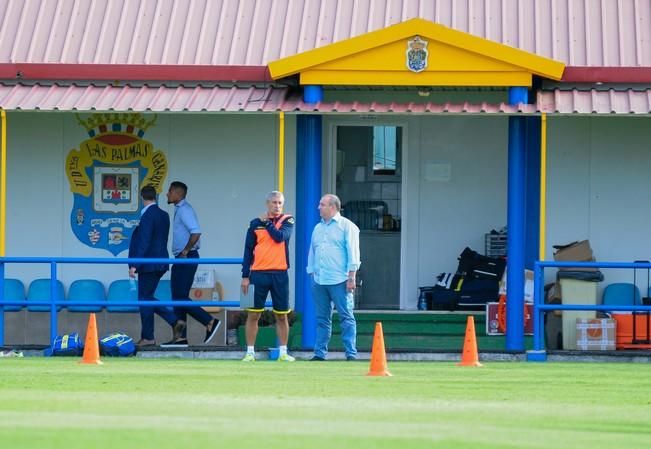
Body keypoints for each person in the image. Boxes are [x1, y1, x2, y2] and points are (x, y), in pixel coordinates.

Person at [163, 181, 220, 347]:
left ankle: (209, 321)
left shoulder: (185, 210)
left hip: (186, 257)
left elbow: (196, 232)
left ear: (177, 193)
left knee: (179, 296)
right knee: (177, 297)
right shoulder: (180, 209)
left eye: (169, 191)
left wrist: (185, 252)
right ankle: (180, 338)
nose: (167, 194)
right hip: (183, 257)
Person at [240, 191, 295, 362]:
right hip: (258, 274)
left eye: (280, 203)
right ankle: (250, 352)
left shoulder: (288, 220)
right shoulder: (255, 224)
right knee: (253, 314)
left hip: (280, 274)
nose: (277, 206)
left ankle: (283, 352)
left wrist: (267, 223)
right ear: (267, 204)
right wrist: (245, 276)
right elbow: (248, 251)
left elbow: (280, 237)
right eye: (274, 203)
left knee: (281, 314)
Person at [128, 185, 185, 347]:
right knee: (147, 298)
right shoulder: (164, 215)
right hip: (160, 261)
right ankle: (170, 324)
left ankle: (151, 336)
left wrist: (135, 264)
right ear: (155, 196)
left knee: (144, 299)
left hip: (148, 264)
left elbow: (144, 241)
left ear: (142, 198)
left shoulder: (147, 216)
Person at [306, 194, 360, 361]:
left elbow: (353, 253)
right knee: (322, 318)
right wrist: (312, 273)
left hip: (340, 279)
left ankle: (351, 353)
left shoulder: (347, 226)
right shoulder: (318, 228)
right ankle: (319, 353)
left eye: (322, 204)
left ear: (333, 207)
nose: (318, 207)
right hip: (319, 280)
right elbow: (312, 252)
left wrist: (351, 277)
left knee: (346, 316)